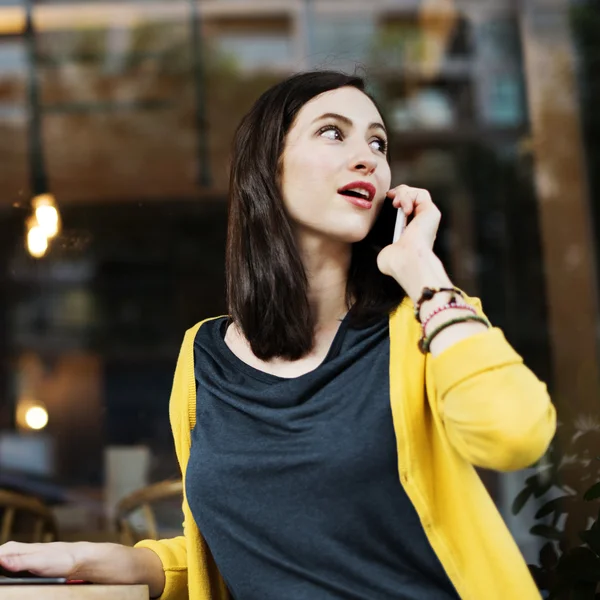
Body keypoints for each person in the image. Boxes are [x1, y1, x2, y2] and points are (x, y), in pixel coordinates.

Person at [0, 70, 556, 600]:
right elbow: (252, 545)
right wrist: (124, 563)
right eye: (333, 133)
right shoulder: (203, 358)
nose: (367, 158)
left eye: (379, 144)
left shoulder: (428, 324)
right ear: (269, 166)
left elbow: (514, 435)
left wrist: (425, 275)